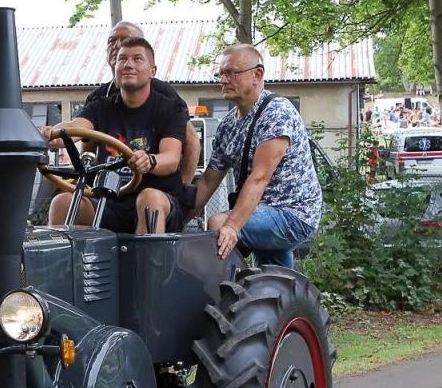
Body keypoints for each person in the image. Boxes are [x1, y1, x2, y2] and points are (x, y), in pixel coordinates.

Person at [190, 43, 323, 267]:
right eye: (221, 73)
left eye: (231, 73)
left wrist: (232, 226)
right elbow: (208, 181)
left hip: (293, 213)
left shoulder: (277, 112)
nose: (223, 80)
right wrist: (177, 222)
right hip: (261, 211)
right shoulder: (227, 125)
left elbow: (260, 176)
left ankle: (224, 293)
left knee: (218, 224)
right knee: (274, 282)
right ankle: (281, 297)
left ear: (257, 74)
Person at [40, 35, 187, 234]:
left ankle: (148, 264)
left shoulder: (170, 109)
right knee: (62, 202)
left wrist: (149, 161)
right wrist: (52, 135)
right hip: (109, 202)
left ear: (152, 71)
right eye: (122, 59)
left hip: (157, 201)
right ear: (115, 67)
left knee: (149, 199)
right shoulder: (101, 107)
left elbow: (171, 159)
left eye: (137, 59)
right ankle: (64, 264)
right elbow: (76, 127)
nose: (128, 64)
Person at [86, 21, 200, 188]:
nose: (118, 45)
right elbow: (88, 145)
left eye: (126, 39)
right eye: (112, 40)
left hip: (152, 190)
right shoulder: (98, 98)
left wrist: (182, 190)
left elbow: (191, 142)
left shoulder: (164, 95)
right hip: (109, 191)